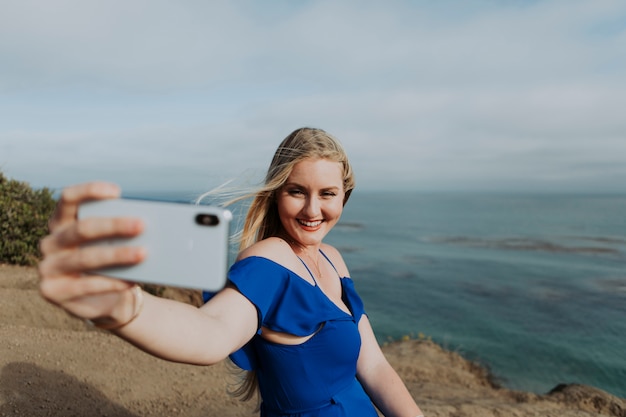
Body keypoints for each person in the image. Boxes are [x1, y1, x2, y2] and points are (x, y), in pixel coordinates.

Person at [38, 127, 424, 417]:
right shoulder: (269, 261)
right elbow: (212, 333)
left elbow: (373, 365)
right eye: (296, 191)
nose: (312, 210)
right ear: (276, 194)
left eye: (326, 194)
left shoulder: (334, 259)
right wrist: (129, 309)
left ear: (344, 195)